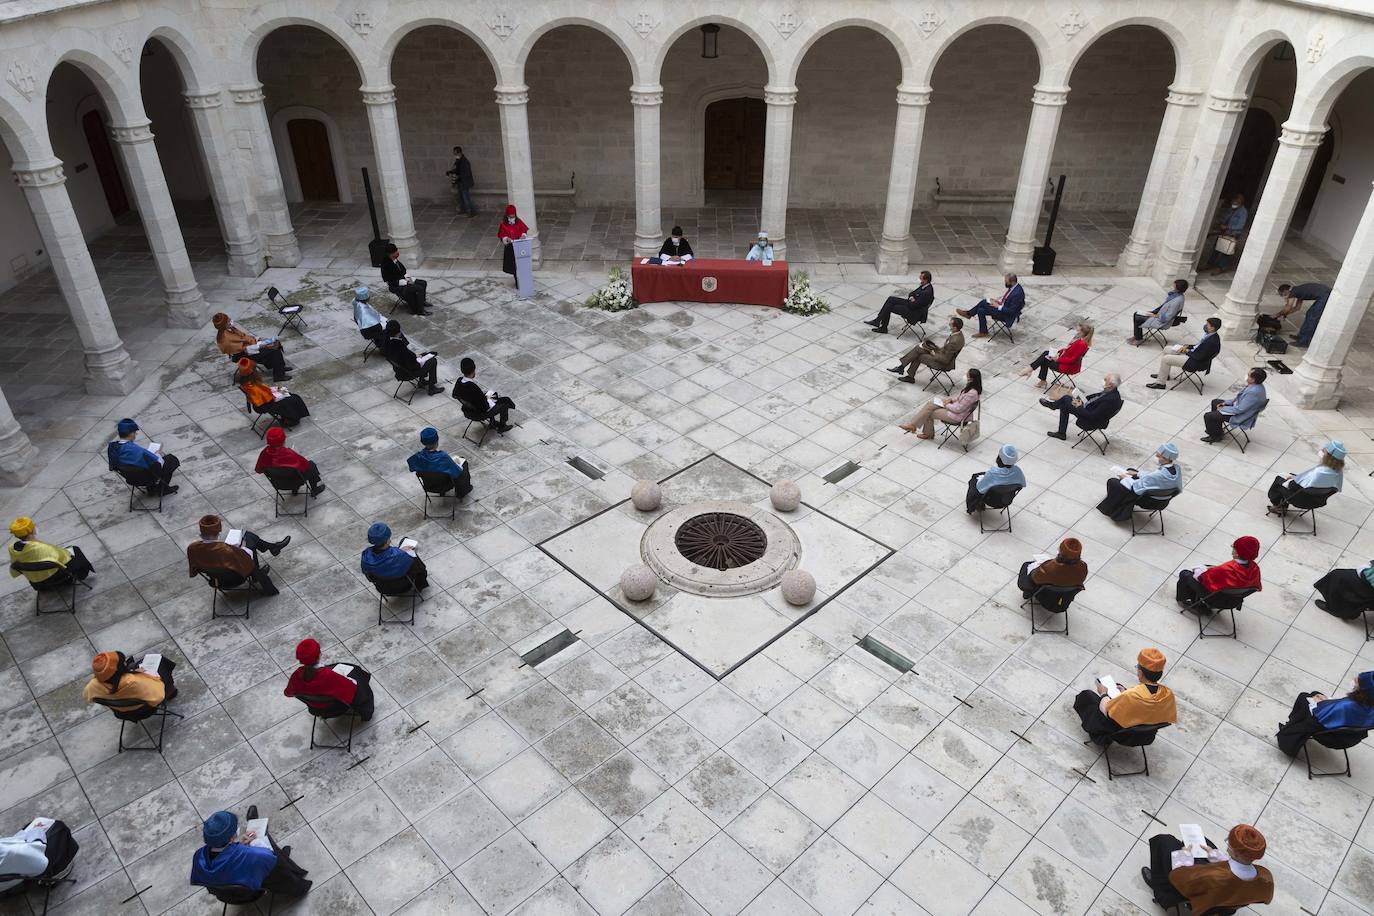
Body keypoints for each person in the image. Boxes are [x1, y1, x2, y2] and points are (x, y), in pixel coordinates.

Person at [1141, 824, 1273, 912]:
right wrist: (1215, 855)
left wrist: (1184, 854)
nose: (1227, 844)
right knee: (1203, 842)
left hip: (1197, 893)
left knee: (1165, 841)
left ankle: (1160, 889)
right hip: (1225, 900)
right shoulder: (1266, 877)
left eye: (1229, 843)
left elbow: (1179, 876)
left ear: (1237, 853)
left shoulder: (1213, 876)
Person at [191, 809, 311, 898]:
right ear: (232, 838)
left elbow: (226, 860)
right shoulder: (251, 855)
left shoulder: (198, 856)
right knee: (273, 855)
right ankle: (299, 885)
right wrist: (256, 842)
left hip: (227, 895)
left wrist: (239, 847)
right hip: (252, 891)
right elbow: (269, 857)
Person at [1073, 648, 1177, 746]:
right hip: (1146, 736)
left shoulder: (1131, 695)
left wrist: (1103, 693)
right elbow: (1147, 704)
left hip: (1123, 734)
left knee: (1087, 696)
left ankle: (1100, 737)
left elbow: (1107, 712)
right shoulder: (1167, 694)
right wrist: (1125, 692)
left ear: (1140, 673)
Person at [1275, 670, 1374, 757]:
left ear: (1362, 691)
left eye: (1356, 681)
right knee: (1315, 692)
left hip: (1329, 736)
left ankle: (1292, 724)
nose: (1354, 679)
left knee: (1303, 697)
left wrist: (1319, 702)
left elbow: (1317, 716)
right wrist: (1328, 702)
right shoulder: (1368, 705)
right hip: (1348, 738)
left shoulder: (1346, 706)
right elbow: (1337, 711)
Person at [187, 514, 290, 597]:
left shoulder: (192, 548)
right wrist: (243, 547)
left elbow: (195, 567)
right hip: (236, 577)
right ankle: (272, 549)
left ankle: (272, 548)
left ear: (201, 533)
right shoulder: (226, 550)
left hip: (217, 580)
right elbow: (248, 561)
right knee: (248, 537)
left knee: (248, 538)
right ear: (218, 533)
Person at [283, 637, 375, 721]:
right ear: (319, 655)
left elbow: (288, 693)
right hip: (335, 708)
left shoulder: (295, 676)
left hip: (315, 709)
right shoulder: (329, 676)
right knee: (358, 678)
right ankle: (366, 714)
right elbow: (352, 690)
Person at [1095, 443, 1182, 522]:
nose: (1156, 456)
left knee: (1113, 482)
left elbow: (1135, 488)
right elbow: (1152, 476)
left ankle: (1113, 508)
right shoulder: (1176, 470)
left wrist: (1124, 478)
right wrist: (1138, 474)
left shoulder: (1158, 476)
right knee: (1131, 470)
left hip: (1147, 500)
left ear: (1165, 458)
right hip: (1162, 502)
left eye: (1159, 456)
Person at [1176, 535, 1262, 607]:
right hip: (1234, 601)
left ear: (1237, 553)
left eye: (1234, 547)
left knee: (1185, 574)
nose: (1232, 547)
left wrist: (1199, 570)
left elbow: (1201, 579)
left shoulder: (1226, 569)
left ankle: (1187, 602)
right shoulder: (1255, 569)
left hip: (1215, 599)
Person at [0, 818, 78, 893]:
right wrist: (37, 831)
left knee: (30, 827)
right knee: (59, 828)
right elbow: (41, 863)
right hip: (34, 864)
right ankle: (56, 873)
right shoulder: (11, 852)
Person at [8, 516, 93, 585]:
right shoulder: (40, 548)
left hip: (37, 583)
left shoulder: (12, 548)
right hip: (53, 578)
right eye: (33, 526)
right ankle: (81, 575)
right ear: (30, 531)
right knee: (74, 549)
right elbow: (64, 557)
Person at [899, 369, 980, 439]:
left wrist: (946, 405)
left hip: (957, 416)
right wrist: (950, 400)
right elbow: (960, 398)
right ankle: (913, 426)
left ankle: (925, 432)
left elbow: (958, 409)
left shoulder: (972, 393)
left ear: (971, 379)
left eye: (967, 375)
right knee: (930, 404)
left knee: (928, 413)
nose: (965, 375)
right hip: (954, 408)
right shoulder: (970, 388)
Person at [83, 650, 177, 710]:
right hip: (142, 710)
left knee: (135, 665)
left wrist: (132, 671)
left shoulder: (93, 685)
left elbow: (86, 695)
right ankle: (172, 692)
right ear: (119, 671)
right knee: (161, 662)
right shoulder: (133, 682)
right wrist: (149, 675)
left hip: (121, 712)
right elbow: (159, 696)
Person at [1267, 440, 1344, 514]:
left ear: (1328, 456)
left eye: (1324, 451)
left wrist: (1291, 480)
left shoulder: (1318, 473)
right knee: (1292, 475)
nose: (1322, 450)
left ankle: (1279, 506)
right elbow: (1333, 489)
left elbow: (1292, 486)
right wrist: (1296, 478)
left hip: (1301, 500)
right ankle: (1280, 506)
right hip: (1317, 502)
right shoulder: (1338, 473)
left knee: (1279, 479)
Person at [107, 418, 179, 496]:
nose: (135, 435)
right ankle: (163, 489)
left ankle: (151, 489)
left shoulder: (112, 448)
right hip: (146, 477)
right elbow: (158, 463)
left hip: (131, 478)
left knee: (142, 467)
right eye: (135, 433)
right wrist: (158, 454)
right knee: (171, 459)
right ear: (131, 433)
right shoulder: (136, 450)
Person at [1145, 316, 1221, 389]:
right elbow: (1199, 347)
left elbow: (1199, 357)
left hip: (1194, 362)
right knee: (1167, 349)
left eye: (1207, 325)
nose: (1205, 326)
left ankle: (1160, 383)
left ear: (1212, 328)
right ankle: (1165, 375)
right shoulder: (1210, 335)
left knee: (1166, 359)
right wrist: (1188, 346)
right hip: (1192, 354)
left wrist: (1187, 351)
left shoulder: (1212, 341)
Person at [1042, 372, 1121, 441]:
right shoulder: (1111, 391)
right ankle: (1061, 433)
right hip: (1088, 408)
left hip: (1090, 420)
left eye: (1105, 380)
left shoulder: (1109, 400)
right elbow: (1095, 397)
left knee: (1066, 399)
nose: (1103, 381)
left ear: (1110, 384)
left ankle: (1053, 406)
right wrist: (1082, 400)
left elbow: (1092, 416)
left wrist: (1079, 407)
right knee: (1064, 405)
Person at [213, 312, 291, 381]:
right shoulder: (226, 339)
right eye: (228, 320)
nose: (231, 320)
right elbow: (244, 350)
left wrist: (259, 339)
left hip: (249, 347)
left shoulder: (229, 329)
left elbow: (244, 337)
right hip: (245, 354)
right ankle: (279, 376)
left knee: (275, 343)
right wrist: (261, 345)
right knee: (274, 351)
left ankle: (279, 367)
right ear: (224, 324)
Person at [236, 358, 310, 428]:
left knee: (291, 396)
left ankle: (290, 416)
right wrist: (279, 393)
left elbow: (264, 393)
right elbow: (268, 398)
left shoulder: (246, 382)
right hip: (265, 405)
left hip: (263, 403)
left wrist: (275, 391)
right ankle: (291, 419)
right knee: (292, 399)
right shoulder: (253, 387)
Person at [1200, 367, 1266, 443]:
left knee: (1208, 416)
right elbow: (1239, 399)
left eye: (1248, 375)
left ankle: (1215, 436)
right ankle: (1216, 430)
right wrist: (1226, 403)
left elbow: (1239, 409)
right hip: (1239, 407)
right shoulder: (1256, 385)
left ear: (1253, 379)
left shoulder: (1253, 392)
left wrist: (1223, 408)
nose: (1246, 376)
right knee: (1215, 402)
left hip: (1240, 415)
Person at [891, 316, 964, 384]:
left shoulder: (954, 341)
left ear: (955, 328)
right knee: (919, 348)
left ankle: (905, 372)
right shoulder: (958, 335)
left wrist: (933, 353)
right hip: (941, 353)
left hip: (942, 363)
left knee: (919, 355)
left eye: (950, 325)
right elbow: (946, 350)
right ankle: (902, 369)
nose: (949, 326)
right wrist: (935, 348)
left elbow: (945, 360)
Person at [255, 427, 325, 498]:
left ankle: (295, 489)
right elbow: (305, 466)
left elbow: (258, 470)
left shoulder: (264, 453)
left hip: (278, 483)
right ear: (283, 440)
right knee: (311, 465)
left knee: (289, 471)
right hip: (294, 481)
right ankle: (314, 489)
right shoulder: (289, 454)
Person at [380, 319, 442, 395]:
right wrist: (419, 360)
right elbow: (414, 365)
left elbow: (406, 356)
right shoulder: (399, 346)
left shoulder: (387, 342)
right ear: (398, 332)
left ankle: (422, 381)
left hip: (399, 370)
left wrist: (417, 356)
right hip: (408, 372)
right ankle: (432, 388)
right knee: (433, 360)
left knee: (425, 354)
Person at [1019, 322, 1092, 387]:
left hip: (1068, 366)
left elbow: (1073, 359)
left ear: (1082, 332)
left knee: (1045, 359)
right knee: (1046, 354)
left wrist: (1058, 359)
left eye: (1078, 330)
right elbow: (1068, 349)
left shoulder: (1082, 344)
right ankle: (1033, 373)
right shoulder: (1079, 339)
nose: (1076, 330)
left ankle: (1031, 371)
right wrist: (1058, 352)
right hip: (1064, 361)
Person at [407, 427, 473, 497]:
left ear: (422, 442)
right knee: (464, 464)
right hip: (446, 484)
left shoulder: (417, 457)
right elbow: (457, 473)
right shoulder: (443, 457)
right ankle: (463, 491)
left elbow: (412, 468)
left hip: (429, 485)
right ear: (437, 441)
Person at [452, 357, 515, 431]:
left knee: (493, 394)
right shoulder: (472, 387)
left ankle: (492, 422)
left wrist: (485, 397)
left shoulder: (459, 381)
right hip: (479, 413)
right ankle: (502, 426)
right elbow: (484, 407)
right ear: (473, 370)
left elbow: (454, 394)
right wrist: (490, 401)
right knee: (505, 402)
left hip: (468, 410)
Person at [361, 522, 428, 590]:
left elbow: (370, 577)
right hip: (404, 586)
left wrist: (400, 551)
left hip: (383, 588)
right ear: (387, 540)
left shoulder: (365, 556)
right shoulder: (399, 555)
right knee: (415, 560)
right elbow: (410, 562)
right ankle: (421, 584)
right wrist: (403, 552)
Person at [956, 273, 1024, 338]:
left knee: (984, 302)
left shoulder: (1017, 294)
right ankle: (983, 332)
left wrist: (998, 306)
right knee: (981, 310)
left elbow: (1012, 311)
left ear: (1012, 282)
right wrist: (998, 302)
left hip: (1006, 315)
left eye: (1006, 282)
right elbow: (1007, 300)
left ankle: (968, 314)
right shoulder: (1014, 287)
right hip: (1003, 308)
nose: (1005, 283)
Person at [865, 271, 934, 334]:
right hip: (910, 304)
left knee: (889, 306)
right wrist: (912, 298)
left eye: (921, 278)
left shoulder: (927, 292)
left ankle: (881, 325)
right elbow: (912, 293)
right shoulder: (924, 286)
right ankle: (878, 322)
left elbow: (914, 305)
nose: (919, 280)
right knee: (890, 299)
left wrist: (912, 299)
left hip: (914, 312)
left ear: (926, 280)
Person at [1018, 537, 1087, 598]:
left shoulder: (1049, 568)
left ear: (1061, 552)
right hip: (1064, 599)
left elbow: (1034, 578)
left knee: (1026, 565)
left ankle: (1028, 593)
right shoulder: (1083, 567)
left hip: (1046, 597)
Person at [966, 444, 1024, 514]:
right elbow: (1021, 485)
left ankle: (974, 505)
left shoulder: (992, 473)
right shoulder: (1018, 471)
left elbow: (980, 488)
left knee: (974, 479)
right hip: (1006, 500)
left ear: (999, 459)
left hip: (991, 500)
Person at [1272, 281, 1333, 347]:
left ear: (1286, 291)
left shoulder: (1293, 292)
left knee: (1312, 318)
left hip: (1325, 295)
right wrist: (1285, 314)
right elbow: (1297, 308)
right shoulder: (1298, 291)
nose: (1284, 297)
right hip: (1324, 293)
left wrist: (1276, 315)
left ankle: (1304, 341)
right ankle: (1301, 337)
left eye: (1283, 294)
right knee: (1309, 314)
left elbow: (1288, 307)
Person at [1129, 279, 1187, 346]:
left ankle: (1138, 338)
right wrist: (1153, 312)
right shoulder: (1176, 295)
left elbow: (1167, 317)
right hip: (1159, 314)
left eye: (1174, 286)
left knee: (1137, 318)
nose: (1172, 287)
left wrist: (1156, 315)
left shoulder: (1177, 301)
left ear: (1178, 289)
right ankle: (1137, 336)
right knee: (1137, 313)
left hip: (1162, 321)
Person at [1204, 193, 1249, 274]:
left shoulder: (1243, 212)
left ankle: (1221, 267)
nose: (1233, 204)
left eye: (1236, 203)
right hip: (1224, 232)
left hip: (1233, 233)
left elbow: (1240, 226)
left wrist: (1228, 227)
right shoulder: (1231, 209)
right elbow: (1225, 217)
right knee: (1216, 248)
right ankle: (1210, 264)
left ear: (1240, 203)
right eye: (1233, 203)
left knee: (1227, 250)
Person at [380, 243, 428, 315]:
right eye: (395, 252)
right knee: (419, 288)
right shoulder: (386, 265)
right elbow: (391, 280)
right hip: (397, 285)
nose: (397, 253)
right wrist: (406, 282)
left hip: (404, 279)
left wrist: (409, 279)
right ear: (390, 254)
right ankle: (420, 310)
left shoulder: (395, 259)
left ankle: (422, 302)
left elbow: (403, 271)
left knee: (423, 283)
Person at [498, 204, 530, 282]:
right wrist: (506, 238)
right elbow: (501, 234)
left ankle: (523, 278)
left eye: (513, 216)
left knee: (521, 264)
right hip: (510, 247)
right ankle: (516, 279)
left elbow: (524, 229)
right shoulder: (503, 224)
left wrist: (523, 235)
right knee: (513, 265)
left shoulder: (518, 221)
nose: (512, 218)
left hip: (519, 245)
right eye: (510, 216)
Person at [445, 145, 476, 217]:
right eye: (454, 154)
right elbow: (455, 169)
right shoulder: (458, 161)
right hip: (460, 182)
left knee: (466, 198)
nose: (455, 155)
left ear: (460, 153)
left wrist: (458, 177)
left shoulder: (465, 162)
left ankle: (473, 211)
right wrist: (450, 172)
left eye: (456, 154)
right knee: (460, 197)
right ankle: (463, 209)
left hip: (465, 183)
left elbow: (466, 174)